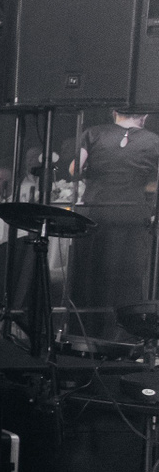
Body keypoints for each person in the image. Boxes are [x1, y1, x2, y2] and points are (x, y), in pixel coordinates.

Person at [73, 109, 159, 328]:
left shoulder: (93, 133)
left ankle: (87, 330)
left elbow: (74, 169)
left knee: (91, 275)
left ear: (114, 113)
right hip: (132, 213)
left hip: (95, 211)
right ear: (145, 116)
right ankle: (124, 333)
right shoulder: (154, 141)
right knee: (127, 279)